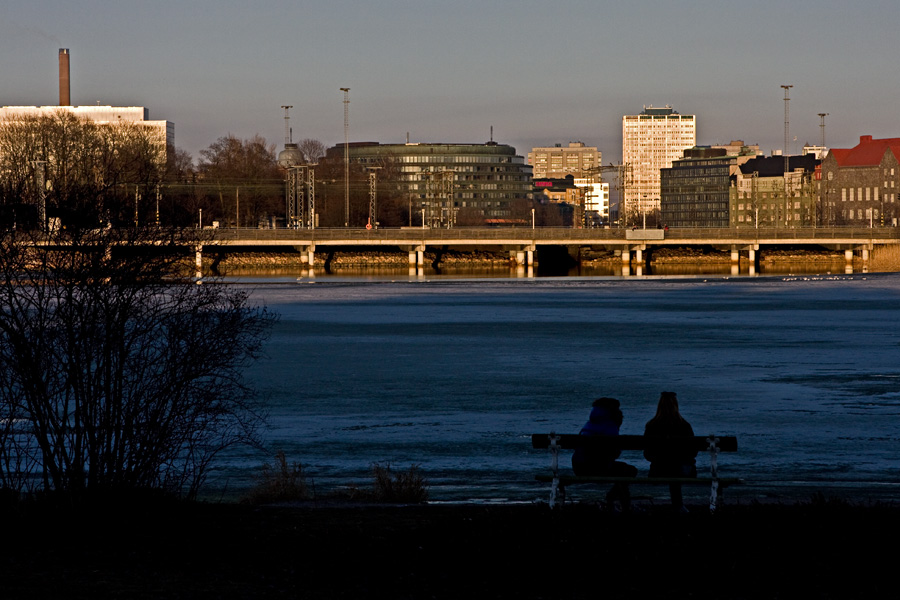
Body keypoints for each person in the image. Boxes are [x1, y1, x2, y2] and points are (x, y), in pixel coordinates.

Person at [572, 397, 637, 510]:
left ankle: (619, 503)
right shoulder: (609, 425)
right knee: (629, 471)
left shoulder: (589, 424)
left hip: (579, 467)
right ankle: (623, 505)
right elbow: (614, 452)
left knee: (623, 471)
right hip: (598, 467)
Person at [643, 391, 697, 511]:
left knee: (670, 466)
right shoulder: (684, 425)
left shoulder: (651, 425)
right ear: (676, 405)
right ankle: (678, 506)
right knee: (675, 466)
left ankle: (678, 506)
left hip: (658, 471)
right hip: (682, 471)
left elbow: (647, 454)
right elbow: (693, 451)